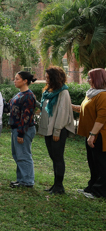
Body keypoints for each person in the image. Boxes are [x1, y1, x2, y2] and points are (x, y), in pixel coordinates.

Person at [38, 66, 75, 194]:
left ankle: (59, 186)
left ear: (54, 78)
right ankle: (55, 185)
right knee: (53, 157)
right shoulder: (48, 91)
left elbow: (63, 113)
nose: (46, 80)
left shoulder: (63, 92)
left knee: (58, 158)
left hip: (57, 130)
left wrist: (57, 131)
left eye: (48, 77)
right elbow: (45, 109)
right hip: (49, 130)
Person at [72, 68, 106, 198]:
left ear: (98, 79)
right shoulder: (92, 93)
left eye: (90, 77)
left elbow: (102, 117)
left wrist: (93, 135)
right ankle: (91, 187)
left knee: (101, 164)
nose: (87, 80)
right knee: (93, 163)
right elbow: (85, 110)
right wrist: (70, 106)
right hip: (91, 134)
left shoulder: (103, 95)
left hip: (99, 135)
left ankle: (100, 192)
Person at [6, 71, 37, 188]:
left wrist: (21, 133)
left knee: (23, 155)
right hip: (16, 129)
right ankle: (21, 179)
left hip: (24, 130)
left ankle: (27, 181)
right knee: (18, 155)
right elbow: (9, 108)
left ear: (25, 81)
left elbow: (26, 117)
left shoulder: (28, 96)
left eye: (17, 79)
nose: (14, 80)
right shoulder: (19, 94)